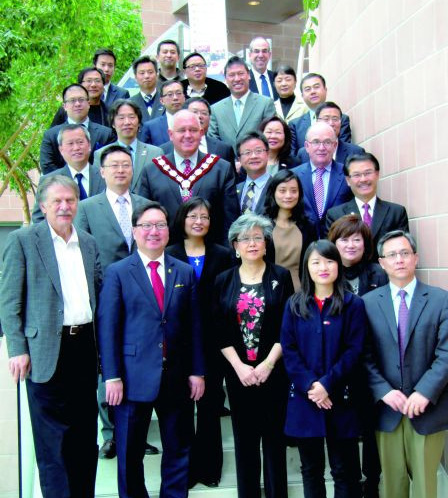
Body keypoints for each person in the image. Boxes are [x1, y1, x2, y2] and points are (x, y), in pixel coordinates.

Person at [0, 175, 102, 497]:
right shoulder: (23, 240)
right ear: (43, 206)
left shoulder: (88, 242)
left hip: (84, 348)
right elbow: (9, 301)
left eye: (70, 200)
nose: (64, 206)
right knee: (52, 445)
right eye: (56, 201)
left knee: (84, 437)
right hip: (44, 351)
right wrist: (17, 348)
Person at [97, 200, 205, 498]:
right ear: (135, 231)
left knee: (178, 450)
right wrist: (112, 376)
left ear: (168, 231)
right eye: (146, 225)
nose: (153, 231)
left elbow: (194, 327)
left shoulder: (183, 272)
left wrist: (197, 371)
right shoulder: (118, 272)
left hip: (176, 377)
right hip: (132, 378)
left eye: (160, 225)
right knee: (130, 454)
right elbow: (108, 328)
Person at [75, 145, 159, 459]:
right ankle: (111, 433)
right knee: (107, 361)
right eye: (114, 166)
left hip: (144, 296)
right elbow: (83, 253)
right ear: (102, 171)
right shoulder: (87, 207)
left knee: (140, 360)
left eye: (126, 164)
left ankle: (138, 432)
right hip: (105, 295)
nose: (121, 170)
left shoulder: (147, 205)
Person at [214, 213, 294, 498]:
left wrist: (268, 364)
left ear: (266, 243)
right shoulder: (223, 280)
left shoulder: (280, 276)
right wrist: (240, 367)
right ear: (235, 245)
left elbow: (288, 326)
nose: (252, 243)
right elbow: (218, 330)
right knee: (245, 442)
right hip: (239, 374)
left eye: (257, 237)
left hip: (273, 371)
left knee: (274, 441)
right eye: (245, 238)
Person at [363, 230, 448, 498]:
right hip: (386, 410)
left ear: (415, 258)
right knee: (392, 487)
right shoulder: (367, 304)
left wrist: (425, 391)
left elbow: (446, 352)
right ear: (382, 263)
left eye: (404, 253)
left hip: (428, 409)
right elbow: (363, 355)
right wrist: (383, 390)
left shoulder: (441, 300)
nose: (399, 259)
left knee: (425, 488)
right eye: (391, 255)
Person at [281, 239, 367, 498]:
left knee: (344, 470)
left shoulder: (352, 304)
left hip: (340, 397)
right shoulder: (294, 304)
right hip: (305, 399)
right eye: (316, 262)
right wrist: (311, 386)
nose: (323, 268)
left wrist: (327, 384)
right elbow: (289, 350)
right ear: (306, 268)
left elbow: (354, 350)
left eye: (329, 261)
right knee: (311, 470)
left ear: (338, 265)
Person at [166, 197, 234, 488]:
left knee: (210, 406)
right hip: (178, 342)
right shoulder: (169, 253)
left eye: (204, 216)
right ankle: (186, 471)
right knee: (181, 408)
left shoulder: (223, 254)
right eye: (192, 216)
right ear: (182, 219)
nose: (198, 221)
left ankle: (209, 468)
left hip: (214, 341)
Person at [328, 214, 387, 497]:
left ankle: (372, 483)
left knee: (372, 430)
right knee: (344, 433)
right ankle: (349, 485)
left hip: (374, 365)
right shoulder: (327, 273)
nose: (351, 245)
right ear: (334, 243)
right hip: (340, 367)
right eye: (344, 239)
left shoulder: (378, 274)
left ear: (366, 244)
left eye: (357, 239)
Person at [145, 110, 239, 245]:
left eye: (193, 130)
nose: (188, 135)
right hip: (165, 251)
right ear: (171, 134)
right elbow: (146, 219)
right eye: (181, 130)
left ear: (201, 133)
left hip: (212, 252)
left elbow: (230, 220)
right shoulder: (152, 171)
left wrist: (227, 252)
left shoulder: (221, 169)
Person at [326, 152, 409, 259]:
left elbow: (403, 250)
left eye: (368, 173)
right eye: (356, 175)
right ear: (348, 180)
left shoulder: (396, 213)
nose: (363, 179)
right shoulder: (335, 215)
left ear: (377, 174)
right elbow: (331, 254)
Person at [291, 122, 353, 241]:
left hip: (338, 242)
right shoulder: (293, 176)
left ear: (335, 145)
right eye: (316, 142)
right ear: (307, 146)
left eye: (327, 142)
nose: (321, 148)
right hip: (303, 244)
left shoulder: (347, 174)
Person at [33, 124, 106, 223]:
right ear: (61, 149)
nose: (76, 148)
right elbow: (39, 219)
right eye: (70, 143)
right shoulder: (48, 181)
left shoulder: (106, 176)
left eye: (80, 142)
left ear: (89, 145)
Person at [93, 99, 163, 198]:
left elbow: (159, 187)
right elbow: (99, 188)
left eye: (131, 117)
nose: (127, 122)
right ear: (113, 123)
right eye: (121, 118)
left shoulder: (155, 153)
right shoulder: (100, 154)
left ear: (139, 122)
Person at [40, 83, 114, 174]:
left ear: (89, 103)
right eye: (72, 100)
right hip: (62, 182)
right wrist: (71, 180)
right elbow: (47, 166)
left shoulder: (106, 134)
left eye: (81, 100)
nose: (77, 104)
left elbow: (111, 164)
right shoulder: (51, 135)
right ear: (65, 106)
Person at [208, 56, 276, 152]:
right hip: (226, 160)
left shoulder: (265, 103)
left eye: (241, 74)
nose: (237, 79)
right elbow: (213, 142)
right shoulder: (215, 109)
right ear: (225, 78)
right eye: (231, 75)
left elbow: (270, 137)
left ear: (249, 75)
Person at [263, 169, 312, 291]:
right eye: (282, 190)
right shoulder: (262, 226)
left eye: (294, 191)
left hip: (299, 291)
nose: (288, 195)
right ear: (273, 192)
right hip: (268, 289)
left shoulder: (307, 226)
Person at [161, 97, 235, 168]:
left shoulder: (224, 149)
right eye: (194, 112)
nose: (199, 116)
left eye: (204, 113)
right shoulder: (163, 150)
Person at [289, 73, 352, 155]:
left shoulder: (342, 119)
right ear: (302, 96)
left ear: (325, 90)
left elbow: (345, 151)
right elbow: (293, 157)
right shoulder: (295, 125)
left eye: (316, 87)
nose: (313, 92)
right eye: (308, 89)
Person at [297, 102, 365, 165]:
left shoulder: (355, 152)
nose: (331, 123)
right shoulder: (303, 154)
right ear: (317, 121)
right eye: (326, 119)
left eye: (335, 119)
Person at [236, 132, 272, 215]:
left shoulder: (277, 186)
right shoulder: (234, 190)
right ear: (239, 159)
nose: (253, 156)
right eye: (247, 152)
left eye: (258, 151)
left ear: (267, 154)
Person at [141, 80, 185, 146]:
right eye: (170, 94)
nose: (175, 98)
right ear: (161, 100)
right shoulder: (151, 127)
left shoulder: (195, 122)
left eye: (178, 93)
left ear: (184, 97)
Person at [130, 55, 164, 123]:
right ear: (135, 77)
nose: (146, 76)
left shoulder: (166, 100)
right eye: (142, 73)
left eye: (150, 72)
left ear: (157, 75)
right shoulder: (129, 103)